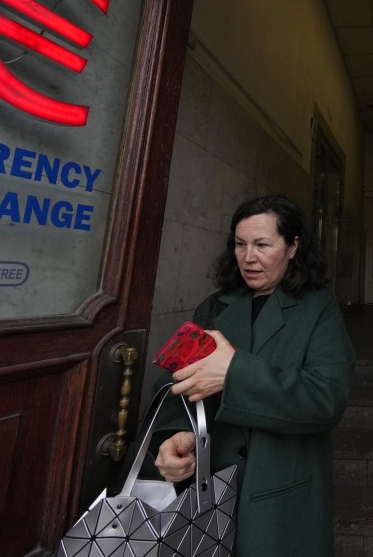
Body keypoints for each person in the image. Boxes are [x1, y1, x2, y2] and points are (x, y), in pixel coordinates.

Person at [146, 194, 355, 557]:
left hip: (281, 492)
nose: (248, 257)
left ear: (293, 247)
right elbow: (174, 384)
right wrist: (172, 438)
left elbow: (326, 398)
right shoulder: (213, 307)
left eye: (262, 245)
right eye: (240, 245)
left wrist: (234, 374)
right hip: (207, 490)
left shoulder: (318, 308)